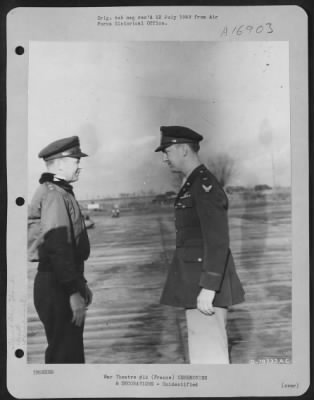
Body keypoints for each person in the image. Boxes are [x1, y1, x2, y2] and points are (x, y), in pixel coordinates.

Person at [155, 126, 245, 364]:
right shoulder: (192, 184)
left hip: (205, 289)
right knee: (203, 358)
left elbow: (218, 240)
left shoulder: (203, 185)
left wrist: (208, 287)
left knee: (210, 360)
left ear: (183, 150)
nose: (164, 158)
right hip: (196, 284)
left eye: (167, 151)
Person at [28, 136, 93, 363]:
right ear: (60, 163)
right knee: (65, 357)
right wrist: (73, 292)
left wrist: (80, 284)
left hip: (61, 282)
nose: (79, 165)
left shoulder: (58, 191)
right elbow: (58, 248)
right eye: (75, 160)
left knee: (69, 354)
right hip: (57, 286)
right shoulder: (55, 194)